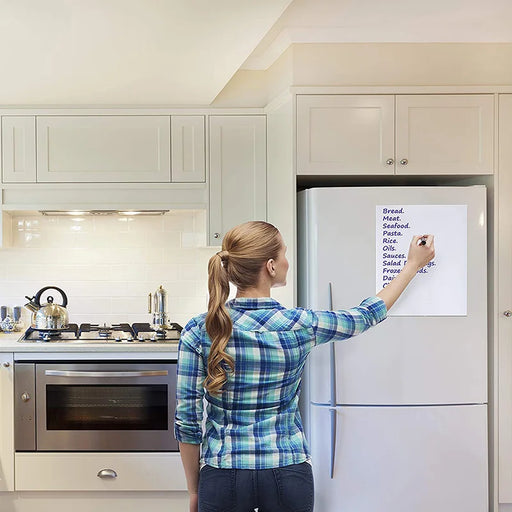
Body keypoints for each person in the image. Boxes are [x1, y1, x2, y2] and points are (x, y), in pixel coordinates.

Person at [175, 221, 435, 512]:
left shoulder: (200, 329)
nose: (288, 261)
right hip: (287, 472)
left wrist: (194, 489)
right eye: (284, 253)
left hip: (223, 474)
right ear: (271, 266)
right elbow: (364, 315)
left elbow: (187, 420)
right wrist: (412, 266)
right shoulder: (301, 324)